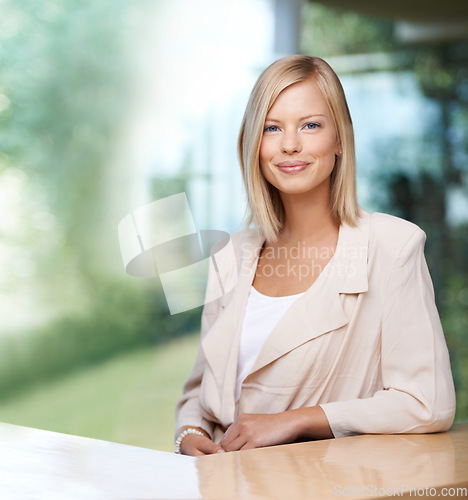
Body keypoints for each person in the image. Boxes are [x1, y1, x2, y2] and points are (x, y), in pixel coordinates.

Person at [174, 55, 456, 456]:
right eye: (272, 128)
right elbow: (200, 392)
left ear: (339, 139)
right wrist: (188, 435)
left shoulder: (392, 247)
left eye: (310, 125)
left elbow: (427, 403)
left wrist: (299, 419)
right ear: (254, 143)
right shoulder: (231, 255)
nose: (290, 144)